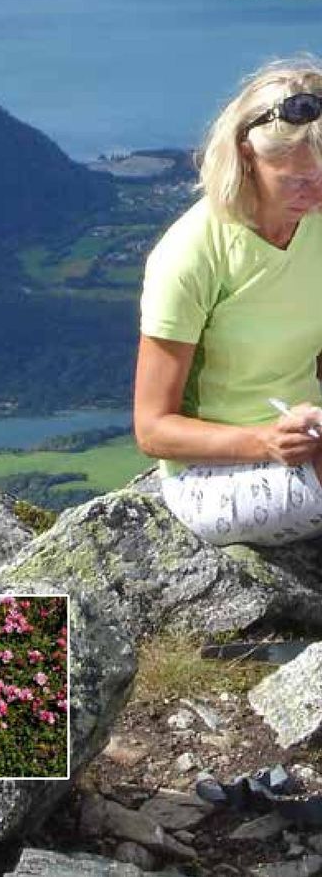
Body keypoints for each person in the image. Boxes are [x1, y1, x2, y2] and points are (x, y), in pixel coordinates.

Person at [134, 59, 322, 547]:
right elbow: (152, 429)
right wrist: (267, 441)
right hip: (210, 476)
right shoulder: (191, 254)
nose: (316, 192)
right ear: (246, 156)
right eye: (297, 180)